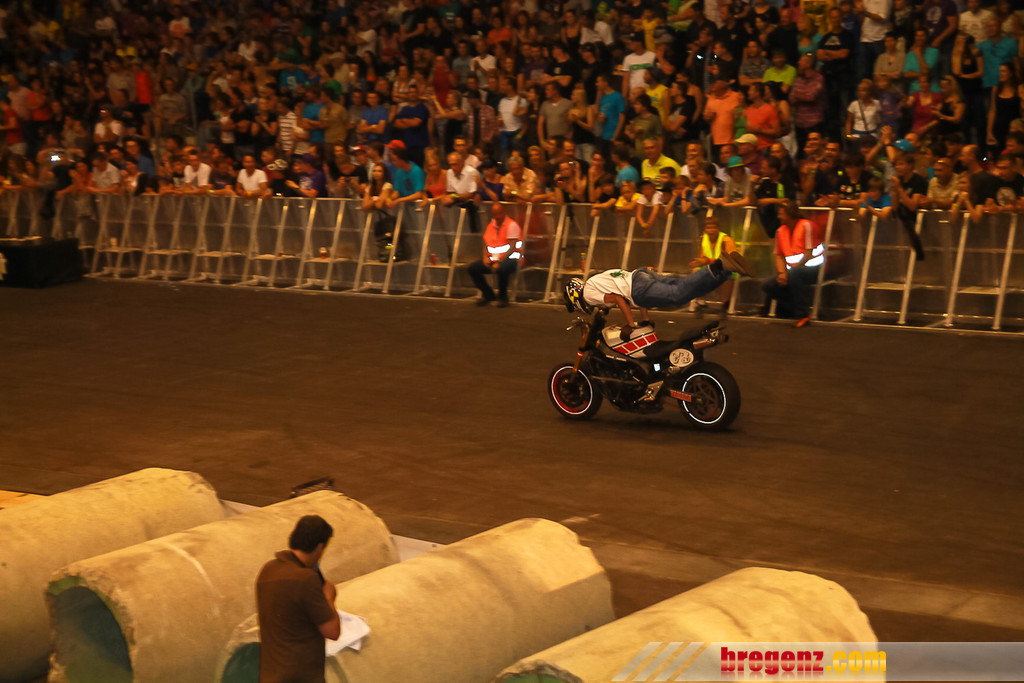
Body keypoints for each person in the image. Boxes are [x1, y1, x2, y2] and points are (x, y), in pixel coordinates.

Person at [563, 249, 755, 336]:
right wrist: (645, 319)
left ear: (575, 296)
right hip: (640, 276)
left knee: (679, 294)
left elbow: (620, 298)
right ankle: (726, 271)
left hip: (638, 288)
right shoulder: (596, 280)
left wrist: (630, 324)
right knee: (687, 290)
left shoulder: (588, 294)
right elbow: (628, 291)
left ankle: (719, 265)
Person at [256, 515, 340, 683]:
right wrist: (328, 596)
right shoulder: (305, 579)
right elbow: (332, 631)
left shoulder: (267, 570)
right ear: (319, 547)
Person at [762, 202, 825, 327]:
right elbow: (779, 256)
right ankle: (788, 310)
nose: (778, 217)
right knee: (768, 285)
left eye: (781, 214)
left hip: (815, 269)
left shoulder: (806, 225)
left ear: (790, 214)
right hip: (793, 272)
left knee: (794, 274)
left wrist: (791, 271)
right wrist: (782, 274)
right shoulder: (780, 231)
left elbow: (808, 252)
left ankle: (803, 314)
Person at [468, 202, 523, 307]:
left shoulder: (511, 225)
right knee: (473, 268)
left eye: (499, 213)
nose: (497, 216)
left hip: (512, 259)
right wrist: (485, 257)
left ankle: (503, 297)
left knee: (501, 269)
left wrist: (499, 262)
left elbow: (512, 248)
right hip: (493, 259)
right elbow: (486, 244)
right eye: (494, 214)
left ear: (504, 212)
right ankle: (488, 294)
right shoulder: (491, 226)